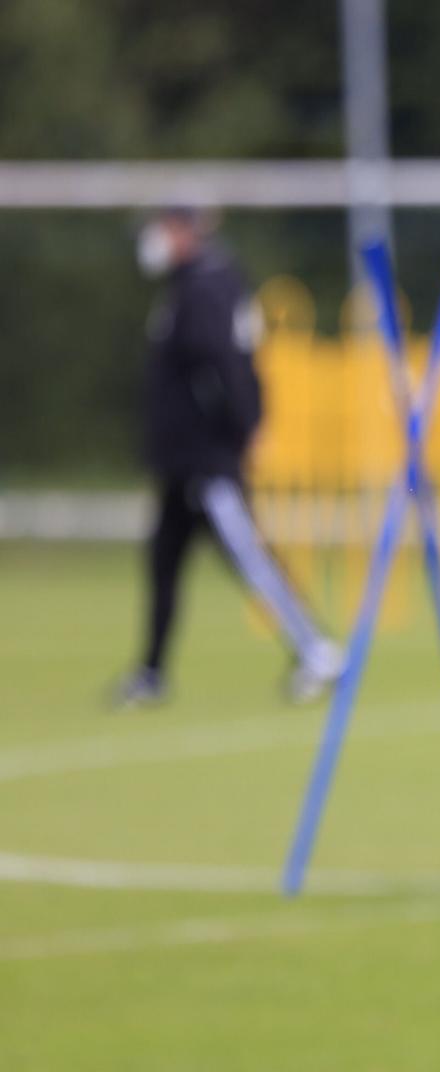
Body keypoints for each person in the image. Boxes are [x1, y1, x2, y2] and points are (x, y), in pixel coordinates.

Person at [111, 205, 343, 708]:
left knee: (249, 556)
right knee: (163, 564)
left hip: (205, 459)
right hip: (180, 461)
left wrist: (245, 429)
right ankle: (151, 672)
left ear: (183, 232)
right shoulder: (191, 286)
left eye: (162, 230)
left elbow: (227, 367)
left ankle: (318, 649)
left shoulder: (206, 289)